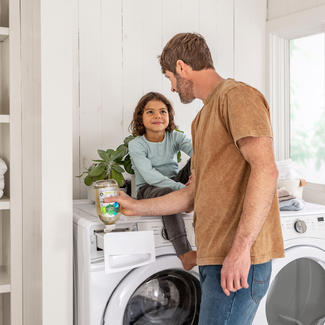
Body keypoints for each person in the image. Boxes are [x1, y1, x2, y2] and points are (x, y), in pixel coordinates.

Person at [106, 33, 285, 324]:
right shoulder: (202, 119)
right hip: (214, 257)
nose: (172, 88)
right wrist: (134, 205)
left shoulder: (237, 97)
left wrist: (240, 251)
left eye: (170, 78)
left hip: (239, 260)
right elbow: (191, 195)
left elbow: (266, 171)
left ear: (181, 66)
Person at [128, 91, 196, 270]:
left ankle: (189, 198)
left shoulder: (175, 137)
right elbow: (150, 175)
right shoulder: (137, 144)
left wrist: (189, 184)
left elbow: (199, 153)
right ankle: (185, 254)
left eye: (163, 111)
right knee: (168, 194)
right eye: (150, 112)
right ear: (140, 118)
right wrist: (183, 190)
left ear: (169, 116)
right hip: (149, 189)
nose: (157, 115)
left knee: (200, 157)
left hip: (175, 181)